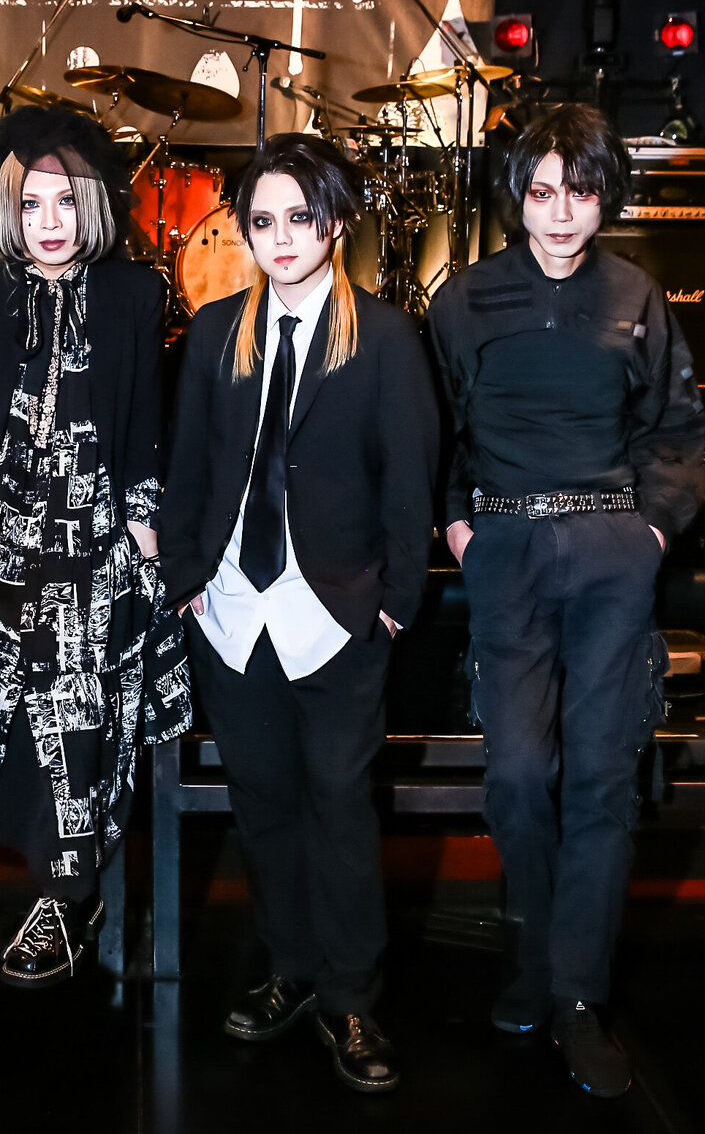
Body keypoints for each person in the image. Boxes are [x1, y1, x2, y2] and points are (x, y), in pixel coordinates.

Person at [425, 104, 705, 1097]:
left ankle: (576, 993)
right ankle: (539, 955)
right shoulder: (464, 298)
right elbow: (437, 431)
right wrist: (457, 527)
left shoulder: (635, 293)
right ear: (518, 195)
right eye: (542, 192)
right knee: (514, 776)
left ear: (604, 198)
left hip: (607, 548)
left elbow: (675, 429)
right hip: (504, 547)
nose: (559, 213)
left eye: (580, 193)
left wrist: (650, 532)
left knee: (599, 778)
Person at [157, 133, 439, 1095]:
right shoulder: (214, 332)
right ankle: (290, 969)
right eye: (263, 221)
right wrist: (187, 580)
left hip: (339, 615)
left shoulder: (386, 338)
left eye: (301, 218)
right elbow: (189, 466)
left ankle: (352, 996)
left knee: (340, 807)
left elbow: (411, 480)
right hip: (233, 611)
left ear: (338, 221)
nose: (281, 238)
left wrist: (393, 606)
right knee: (264, 804)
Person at [0, 106, 191, 988]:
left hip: (96, 525)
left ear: (92, 205)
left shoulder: (134, 294)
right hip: (0, 520)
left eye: (66, 202)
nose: (49, 221)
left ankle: (68, 888)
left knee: (81, 634)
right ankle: (50, 863)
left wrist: (144, 528)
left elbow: (144, 430)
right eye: (31, 203)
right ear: (9, 207)